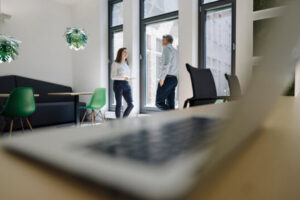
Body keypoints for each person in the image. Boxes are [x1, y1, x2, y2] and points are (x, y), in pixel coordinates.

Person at [155, 35, 178, 111]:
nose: (162, 42)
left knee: (159, 102)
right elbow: (171, 63)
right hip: (174, 79)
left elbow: (166, 64)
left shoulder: (166, 49)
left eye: (162, 40)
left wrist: (162, 78)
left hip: (167, 79)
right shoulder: (175, 50)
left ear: (166, 41)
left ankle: (172, 115)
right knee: (171, 104)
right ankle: (172, 120)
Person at [111, 48, 134, 118]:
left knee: (131, 105)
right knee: (119, 104)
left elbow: (127, 75)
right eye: (124, 52)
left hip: (126, 84)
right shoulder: (115, 63)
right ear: (120, 53)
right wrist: (124, 78)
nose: (126, 53)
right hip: (118, 84)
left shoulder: (126, 64)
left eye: (126, 52)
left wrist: (130, 78)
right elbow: (112, 77)